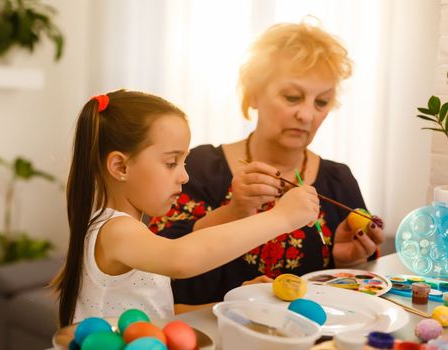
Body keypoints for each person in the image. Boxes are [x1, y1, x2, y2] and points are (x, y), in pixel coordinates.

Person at [149, 21, 386, 308]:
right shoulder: (201, 168)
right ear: (254, 93)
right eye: (292, 97)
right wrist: (234, 211)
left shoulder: (338, 180)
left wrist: (344, 260)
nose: (306, 114)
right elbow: (159, 258)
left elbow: (350, 292)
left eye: (321, 102)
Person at [51, 89, 320, 327]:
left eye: (184, 162)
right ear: (121, 167)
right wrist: (282, 217)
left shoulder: (131, 232)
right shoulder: (115, 230)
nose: (184, 177)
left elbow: (163, 315)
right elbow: (182, 258)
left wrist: (237, 304)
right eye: (171, 163)